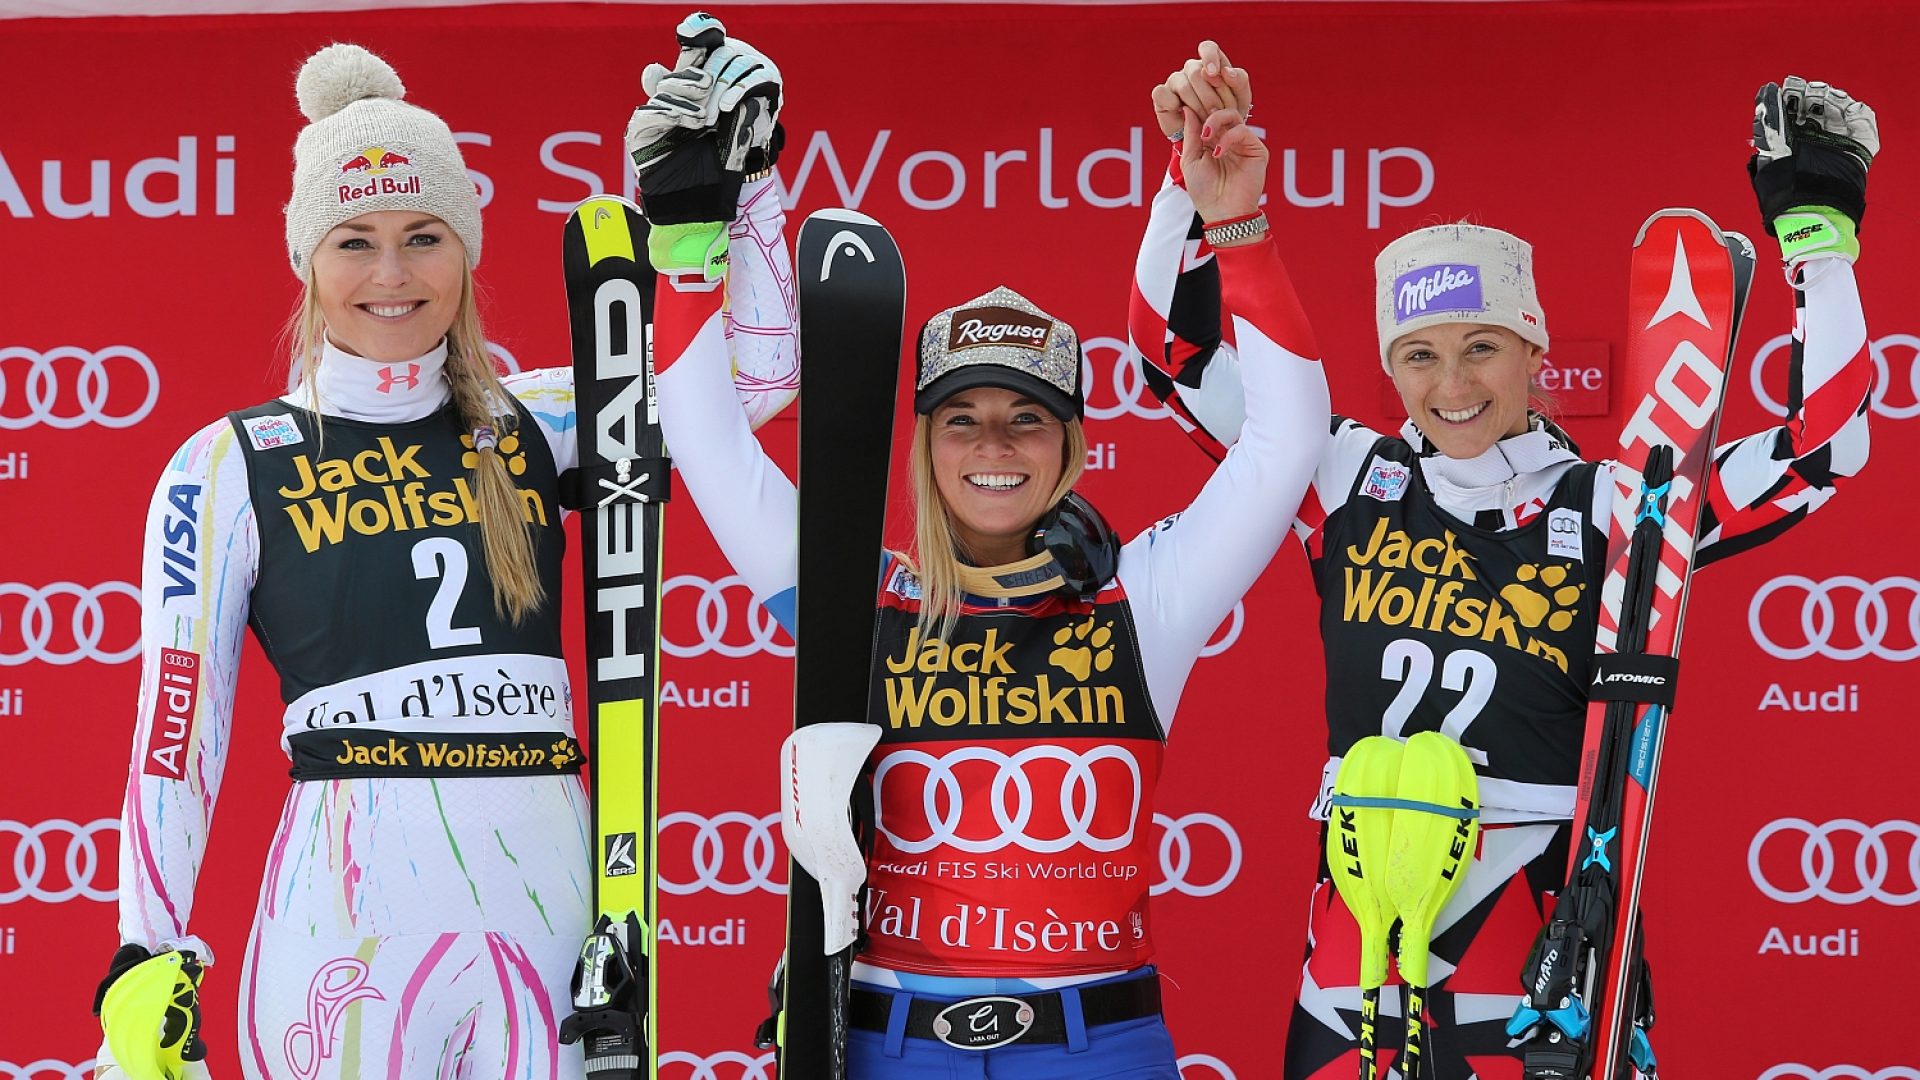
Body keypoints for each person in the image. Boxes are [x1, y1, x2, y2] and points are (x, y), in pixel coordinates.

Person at [1134, 47, 1877, 1079]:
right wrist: (1194, 189)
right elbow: (1172, 358)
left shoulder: (1621, 502)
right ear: (1390, 366)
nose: (1453, 384)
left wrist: (1818, 243)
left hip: (1539, 956)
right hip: (1355, 958)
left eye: (1483, 345)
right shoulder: (1342, 474)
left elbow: (1820, 449)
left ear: (1535, 350)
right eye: (1421, 354)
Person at [633, 23, 1332, 1076]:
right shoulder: (856, 597)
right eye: (962, 419)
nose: (994, 445)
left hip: (1098, 1039)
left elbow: (1286, 445)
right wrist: (690, 242)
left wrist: (1234, 223)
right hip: (885, 1039)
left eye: (1028, 418)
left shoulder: (1143, 599)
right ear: (922, 442)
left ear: (1073, 446)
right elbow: (705, 435)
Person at [95, 41, 796, 1079]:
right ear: (306, 258)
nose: (391, 273)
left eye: (425, 236)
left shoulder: (552, 417)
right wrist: (145, 951)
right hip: (342, 901)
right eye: (355, 240)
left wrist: (740, 199)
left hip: (548, 896)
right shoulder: (227, 462)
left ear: (465, 250)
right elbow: (177, 728)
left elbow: (755, 382)